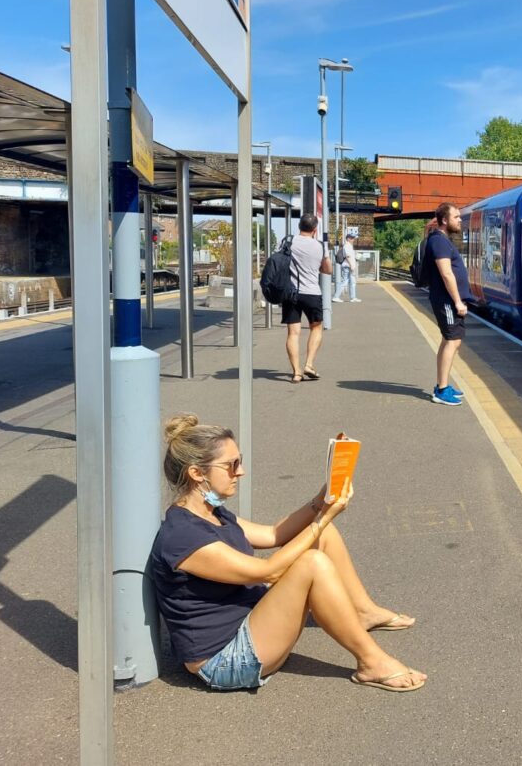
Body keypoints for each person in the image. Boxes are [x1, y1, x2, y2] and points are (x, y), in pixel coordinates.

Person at [149, 414, 425, 692]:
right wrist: (323, 518)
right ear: (197, 473)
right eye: (232, 465)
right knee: (312, 561)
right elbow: (270, 571)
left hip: (249, 625)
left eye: (239, 461)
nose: (240, 471)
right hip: (225, 661)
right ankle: (372, 662)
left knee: (321, 536)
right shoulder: (183, 536)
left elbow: (273, 535)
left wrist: (319, 502)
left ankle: (364, 612)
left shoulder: (212, 513)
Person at [425, 202, 474, 405]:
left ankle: (442, 384)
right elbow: (446, 273)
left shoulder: (442, 240)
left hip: (448, 300)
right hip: (446, 300)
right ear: (445, 220)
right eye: (456, 217)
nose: (460, 220)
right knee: (452, 341)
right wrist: (457, 301)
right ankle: (441, 390)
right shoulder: (439, 241)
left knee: (451, 340)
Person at [284, 214, 332, 383]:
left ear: (299, 226)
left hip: (291, 293)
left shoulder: (288, 242)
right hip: (312, 292)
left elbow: (279, 262)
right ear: (315, 229)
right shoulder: (320, 246)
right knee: (316, 328)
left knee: (293, 333)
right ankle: (309, 364)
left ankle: (297, 372)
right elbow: (328, 270)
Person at [332, 231, 360, 303]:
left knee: (352, 282)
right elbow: (347, 256)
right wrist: (351, 265)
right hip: (347, 266)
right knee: (345, 281)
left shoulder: (349, 246)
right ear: (348, 238)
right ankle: (336, 296)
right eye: (351, 238)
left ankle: (353, 297)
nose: (353, 239)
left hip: (349, 266)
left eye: (353, 238)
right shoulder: (347, 246)